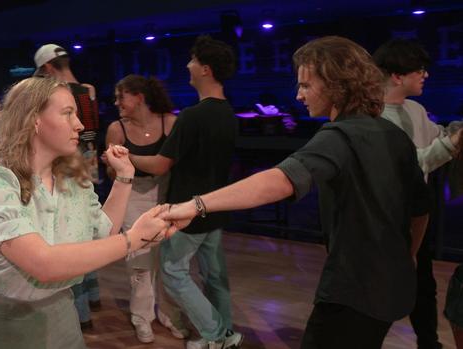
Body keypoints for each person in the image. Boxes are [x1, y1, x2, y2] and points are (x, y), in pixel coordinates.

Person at [161, 36, 430, 349]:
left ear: (336, 84)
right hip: (392, 287)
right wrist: (407, 256)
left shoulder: (339, 135)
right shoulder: (392, 133)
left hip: (353, 290)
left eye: (305, 85)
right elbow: (420, 209)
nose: (298, 94)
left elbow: (278, 181)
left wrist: (196, 205)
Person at [0, 76, 174, 348]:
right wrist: (135, 239)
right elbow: (43, 265)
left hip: (60, 316)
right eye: (68, 113)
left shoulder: (71, 180)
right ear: (33, 119)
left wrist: (124, 177)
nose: (80, 125)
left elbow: (103, 232)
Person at [129, 35, 242, 349]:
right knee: (215, 277)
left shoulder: (193, 116)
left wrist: (126, 156)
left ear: (205, 69)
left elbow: (161, 165)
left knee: (173, 272)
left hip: (187, 211)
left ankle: (218, 334)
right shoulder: (228, 114)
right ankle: (223, 336)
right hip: (215, 208)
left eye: (192, 60)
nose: (187, 65)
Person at [373, 38, 463, 349]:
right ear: (397, 76)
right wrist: (452, 144)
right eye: (419, 71)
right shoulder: (374, 117)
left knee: (424, 283)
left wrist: (452, 134)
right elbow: (412, 167)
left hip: (417, 214)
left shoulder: (414, 108)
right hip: (387, 217)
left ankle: (429, 343)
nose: (425, 76)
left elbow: (436, 135)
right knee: (384, 286)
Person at [106, 74, 188, 342]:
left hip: (166, 195)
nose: (117, 102)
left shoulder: (171, 122)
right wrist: (115, 165)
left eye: (122, 96)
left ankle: (169, 314)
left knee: (169, 261)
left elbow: (167, 164)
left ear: (139, 97)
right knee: (139, 262)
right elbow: (112, 172)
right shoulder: (117, 128)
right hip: (132, 197)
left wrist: (128, 158)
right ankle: (142, 318)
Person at [34, 43, 103, 328]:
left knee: (69, 236)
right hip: (89, 164)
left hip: (64, 165)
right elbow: (92, 129)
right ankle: (95, 295)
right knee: (87, 228)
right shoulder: (88, 90)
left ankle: (82, 314)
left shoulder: (54, 96)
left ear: (48, 68)